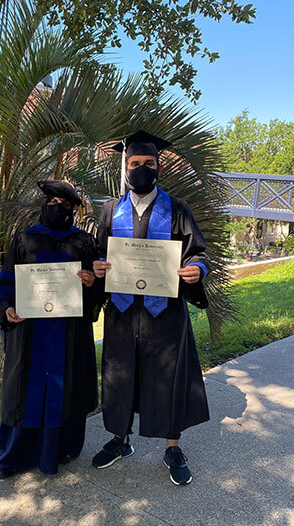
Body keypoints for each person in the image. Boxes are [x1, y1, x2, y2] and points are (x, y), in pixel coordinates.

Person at [92, 130, 210, 485]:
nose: (141, 169)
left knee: (168, 378)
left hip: (165, 313)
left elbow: (199, 253)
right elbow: (99, 252)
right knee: (119, 376)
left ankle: (172, 447)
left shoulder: (177, 209)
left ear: (159, 167)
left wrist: (196, 270)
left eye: (148, 164)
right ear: (125, 168)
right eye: (135, 164)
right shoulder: (111, 210)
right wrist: (98, 266)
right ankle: (120, 440)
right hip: (123, 313)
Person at [0, 180, 99, 478]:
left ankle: (60, 451)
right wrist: (5, 308)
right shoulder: (25, 239)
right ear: (42, 204)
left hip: (69, 334)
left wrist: (92, 283)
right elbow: (7, 281)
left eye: (66, 205)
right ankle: (15, 456)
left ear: (74, 211)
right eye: (52, 201)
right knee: (25, 390)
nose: (58, 208)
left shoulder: (83, 242)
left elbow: (97, 292)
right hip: (30, 333)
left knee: (66, 390)